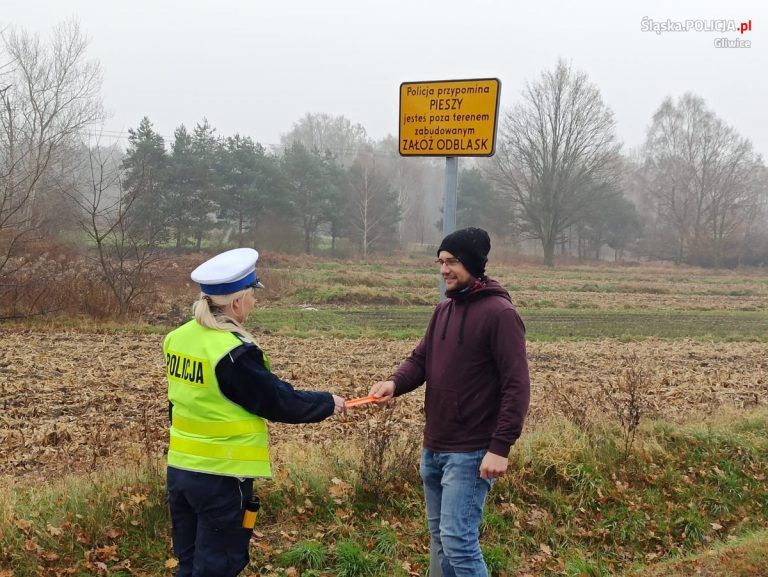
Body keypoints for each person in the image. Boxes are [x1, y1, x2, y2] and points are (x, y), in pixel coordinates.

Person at [164, 247, 346, 577]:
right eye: (252, 295)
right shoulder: (232, 351)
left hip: (180, 472)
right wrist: (327, 403)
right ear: (236, 302)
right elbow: (277, 400)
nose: (254, 302)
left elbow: (178, 402)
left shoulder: (177, 338)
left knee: (189, 564)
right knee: (218, 566)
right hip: (222, 476)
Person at [368, 227, 530, 577]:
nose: (444, 270)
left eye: (452, 261)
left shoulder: (500, 314)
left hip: (471, 451)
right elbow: (420, 360)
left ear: (472, 263)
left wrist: (500, 447)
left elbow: (517, 387)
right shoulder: (443, 310)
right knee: (442, 542)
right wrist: (394, 383)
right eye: (440, 262)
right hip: (435, 447)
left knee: (458, 541)